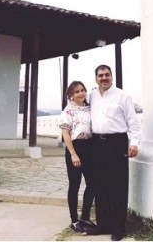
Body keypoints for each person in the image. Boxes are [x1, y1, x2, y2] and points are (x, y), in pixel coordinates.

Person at [87, 64, 141, 241]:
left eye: (107, 75)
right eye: (100, 75)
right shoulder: (93, 95)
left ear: (111, 76)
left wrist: (134, 143)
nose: (104, 78)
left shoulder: (123, 96)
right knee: (100, 186)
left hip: (116, 143)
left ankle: (118, 227)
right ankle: (103, 224)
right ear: (96, 78)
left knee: (118, 186)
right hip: (97, 143)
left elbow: (133, 122)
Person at [58, 81, 96, 234]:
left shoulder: (89, 108)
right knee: (75, 184)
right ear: (71, 95)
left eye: (82, 90)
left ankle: (85, 217)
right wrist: (73, 153)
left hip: (90, 147)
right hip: (75, 147)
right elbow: (65, 133)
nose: (81, 94)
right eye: (77, 92)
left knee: (92, 183)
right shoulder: (68, 111)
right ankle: (74, 220)